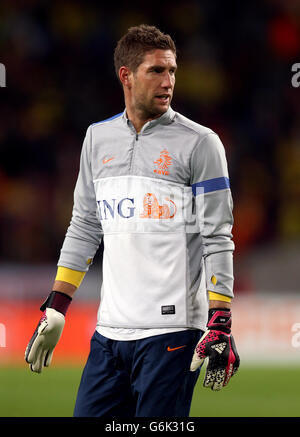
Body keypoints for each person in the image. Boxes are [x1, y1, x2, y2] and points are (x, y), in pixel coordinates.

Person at [25, 24, 240, 417]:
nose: (169, 81)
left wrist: (220, 318)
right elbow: (85, 226)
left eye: (172, 70)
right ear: (126, 75)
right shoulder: (96, 138)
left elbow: (217, 237)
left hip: (172, 336)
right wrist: (57, 305)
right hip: (109, 334)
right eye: (156, 71)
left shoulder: (201, 143)